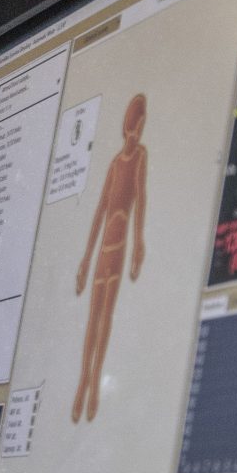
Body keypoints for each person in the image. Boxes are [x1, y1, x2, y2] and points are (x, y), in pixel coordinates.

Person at [74, 92, 151, 423]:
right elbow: (99, 211)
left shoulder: (140, 158)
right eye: (134, 127)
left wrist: (138, 245)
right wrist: (85, 260)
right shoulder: (116, 163)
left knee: (105, 316)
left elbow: (141, 199)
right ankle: (82, 383)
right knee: (94, 317)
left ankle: (94, 383)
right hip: (106, 249)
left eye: (138, 127)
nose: (135, 134)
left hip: (119, 250)